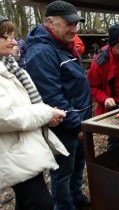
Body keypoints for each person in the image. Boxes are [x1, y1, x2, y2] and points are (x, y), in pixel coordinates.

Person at [23, 1, 92, 210]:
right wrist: (76, 124)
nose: (74, 28)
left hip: (79, 121)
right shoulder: (42, 52)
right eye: (69, 23)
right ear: (50, 23)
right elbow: (51, 95)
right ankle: (63, 205)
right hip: (64, 126)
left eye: (76, 23)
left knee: (78, 164)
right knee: (63, 171)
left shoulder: (64, 46)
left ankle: (75, 196)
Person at [0, 16, 68, 210]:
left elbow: (25, 104)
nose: (13, 41)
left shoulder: (11, 67)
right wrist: (46, 113)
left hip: (22, 147)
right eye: (5, 36)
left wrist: (46, 118)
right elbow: (5, 117)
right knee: (40, 205)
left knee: (28, 202)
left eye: (12, 35)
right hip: (12, 151)